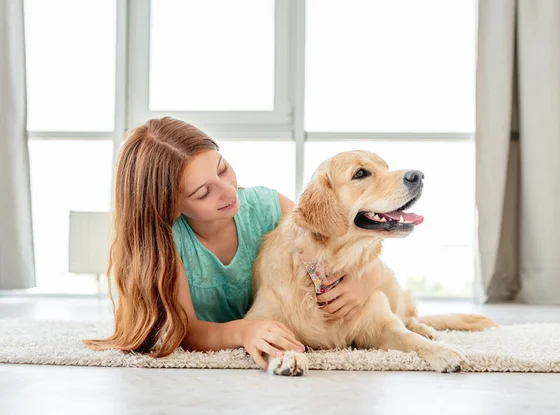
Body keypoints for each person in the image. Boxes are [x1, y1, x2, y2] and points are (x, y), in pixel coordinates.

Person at [84, 117, 382, 369]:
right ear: (169, 206)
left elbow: (336, 247)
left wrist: (371, 275)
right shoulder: (170, 242)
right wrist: (243, 331)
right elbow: (189, 332)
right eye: (203, 193)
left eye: (222, 168)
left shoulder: (270, 207)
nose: (227, 192)